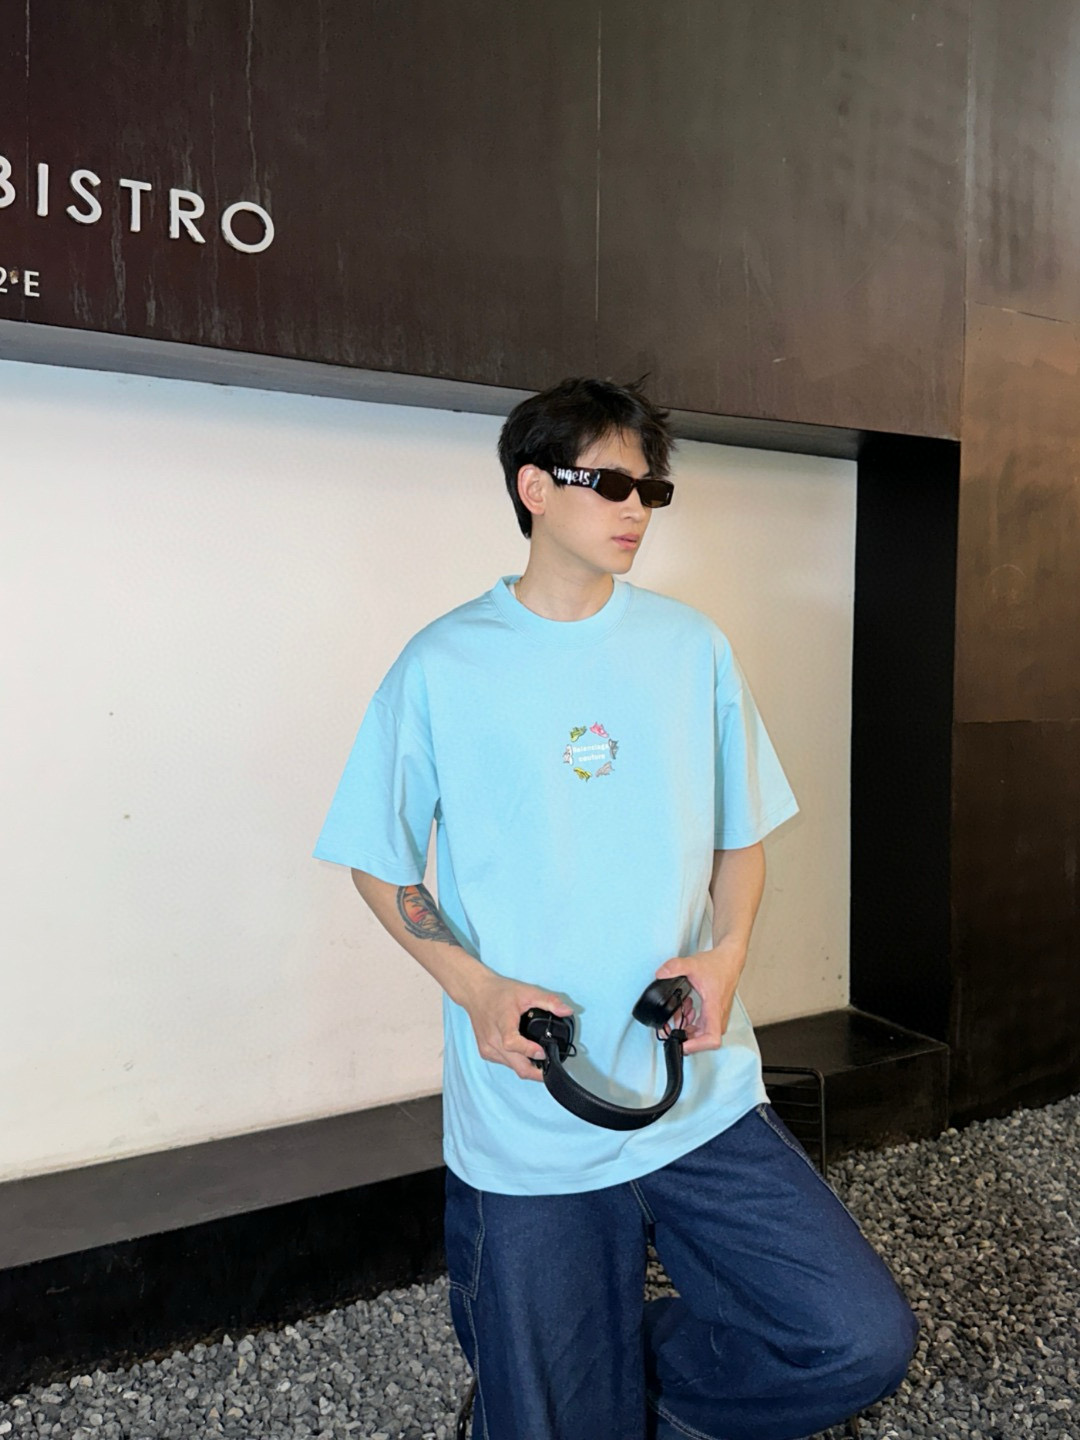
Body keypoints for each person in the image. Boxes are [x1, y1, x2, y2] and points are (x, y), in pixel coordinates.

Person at [314, 377, 918, 1440]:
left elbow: (740, 839)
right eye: (609, 483)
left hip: (694, 1090)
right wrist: (477, 988)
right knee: (554, 1419)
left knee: (853, 1340)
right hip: (532, 1115)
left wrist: (726, 958)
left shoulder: (692, 647)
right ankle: (550, 1389)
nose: (636, 507)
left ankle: (609, 1386)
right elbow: (379, 861)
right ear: (533, 488)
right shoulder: (443, 663)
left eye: (651, 489)